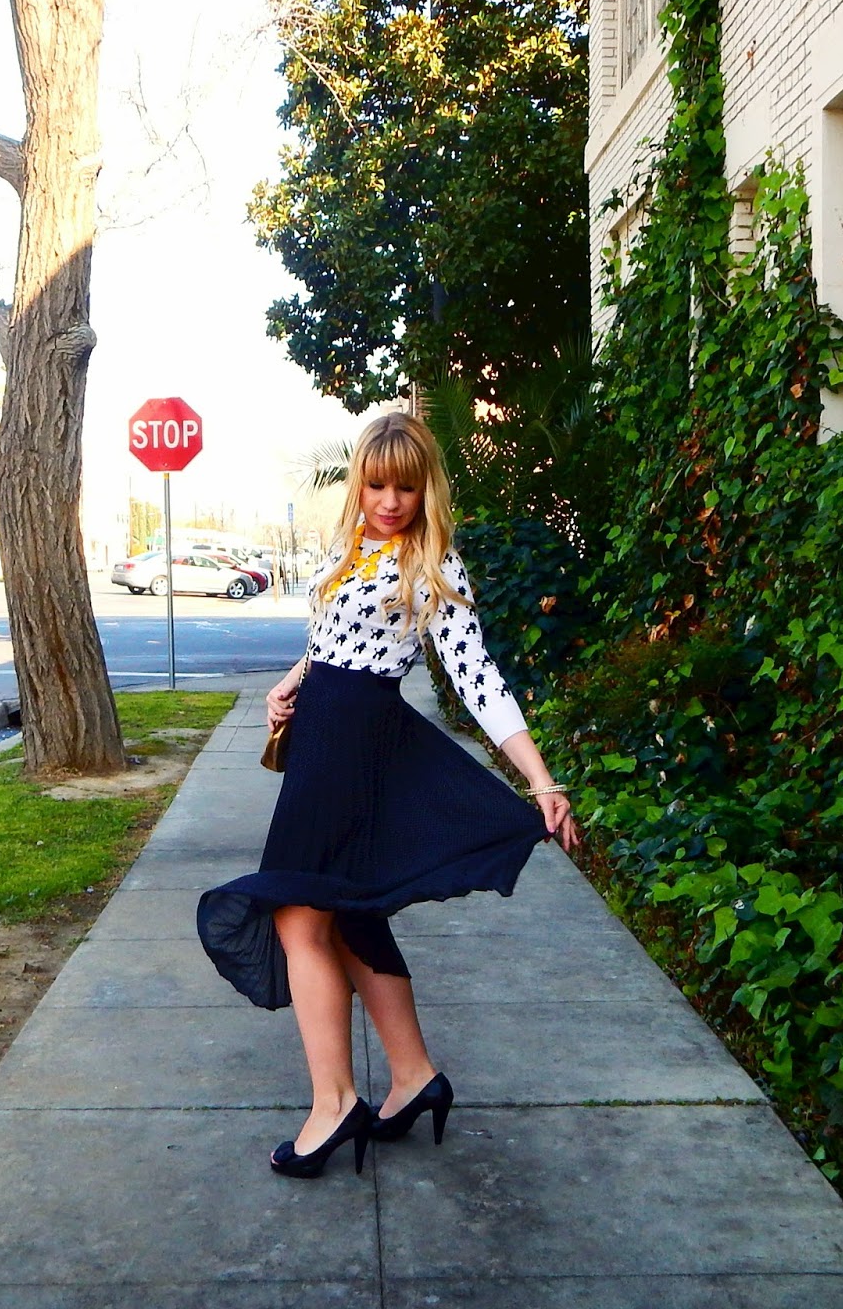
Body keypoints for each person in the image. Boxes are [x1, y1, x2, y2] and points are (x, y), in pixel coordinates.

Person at [197, 413, 576, 1178]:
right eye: (376, 485)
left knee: (298, 915)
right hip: (321, 733)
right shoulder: (348, 545)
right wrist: (291, 682)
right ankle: (413, 1077)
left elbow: (477, 677)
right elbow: (328, 639)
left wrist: (541, 779)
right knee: (347, 914)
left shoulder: (431, 563)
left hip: (358, 744)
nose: (390, 500)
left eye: (405, 487)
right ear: (359, 485)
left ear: (425, 489)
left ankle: (335, 1104)